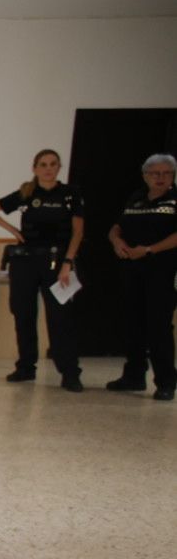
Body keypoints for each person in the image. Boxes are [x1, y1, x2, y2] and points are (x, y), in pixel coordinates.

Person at [0, 149, 84, 390]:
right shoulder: (27, 193)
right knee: (23, 314)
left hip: (57, 262)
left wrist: (68, 263)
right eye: (43, 164)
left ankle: (69, 372)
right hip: (26, 261)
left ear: (59, 167)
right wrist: (14, 232)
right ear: (35, 168)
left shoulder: (69, 195)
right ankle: (26, 367)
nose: (48, 168)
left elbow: (78, 232)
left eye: (53, 164)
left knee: (60, 318)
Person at [105, 154, 177, 402]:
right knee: (132, 324)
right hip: (132, 270)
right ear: (145, 176)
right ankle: (134, 375)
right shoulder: (136, 198)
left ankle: (166, 381)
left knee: (158, 328)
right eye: (155, 173)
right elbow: (117, 226)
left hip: (162, 272)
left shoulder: (174, 200)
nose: (161, 178)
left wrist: (149, 249)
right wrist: (116, 240)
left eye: (166, 173)